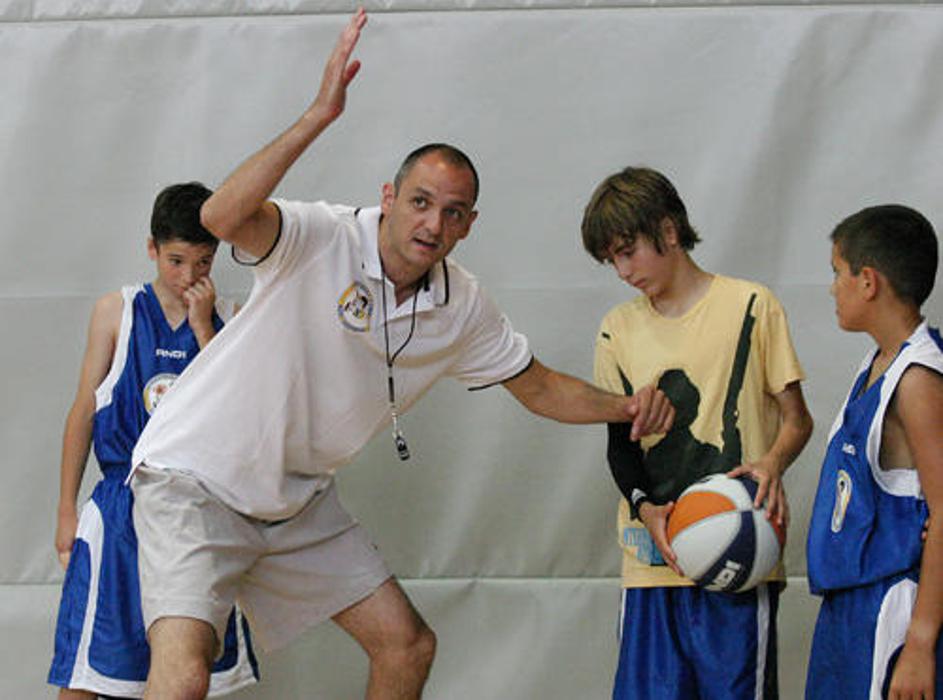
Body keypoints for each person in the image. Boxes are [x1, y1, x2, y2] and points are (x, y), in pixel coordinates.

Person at [126, 10, 673, 699]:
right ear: (388, 198)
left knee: (406, 646)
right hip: (194, 477)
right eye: (419, 202)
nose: (432, 223)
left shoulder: (462, 304)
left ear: (468, 225)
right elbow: (221, 218)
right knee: (183, 675)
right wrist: (319, 114)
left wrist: (625, 408)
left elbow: (538, 387)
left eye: (452, 212)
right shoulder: (319, 236)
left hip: (293, 500)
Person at [583, 166, 813, 699]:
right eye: (612, 260)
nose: (623, 271)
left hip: (739, 553)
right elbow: (619, 446)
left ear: (668, 231)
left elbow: (798, 419)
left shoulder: (752, 306)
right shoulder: (617, 329)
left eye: (627, 252)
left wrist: (773, 462)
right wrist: (646, 508)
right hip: (653, 562)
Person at [47, 183, 259, 698]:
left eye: (203, 262)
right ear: (152, 249)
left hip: (194, 511)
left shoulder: (231, 317)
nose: (189, 276)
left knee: (182, 674)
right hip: (121, 508)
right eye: (176, 261)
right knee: (87, 670)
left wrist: (203, 329)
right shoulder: (115, 311)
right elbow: (83, 412)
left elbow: (237, 416)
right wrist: (66, 510)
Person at [806, 205, 943, 699]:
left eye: (836, 272)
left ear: (868, 281)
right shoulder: (878, 362)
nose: (831, 288)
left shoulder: (918, 380)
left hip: (893, 608)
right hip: (850, 604)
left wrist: (920, 642)